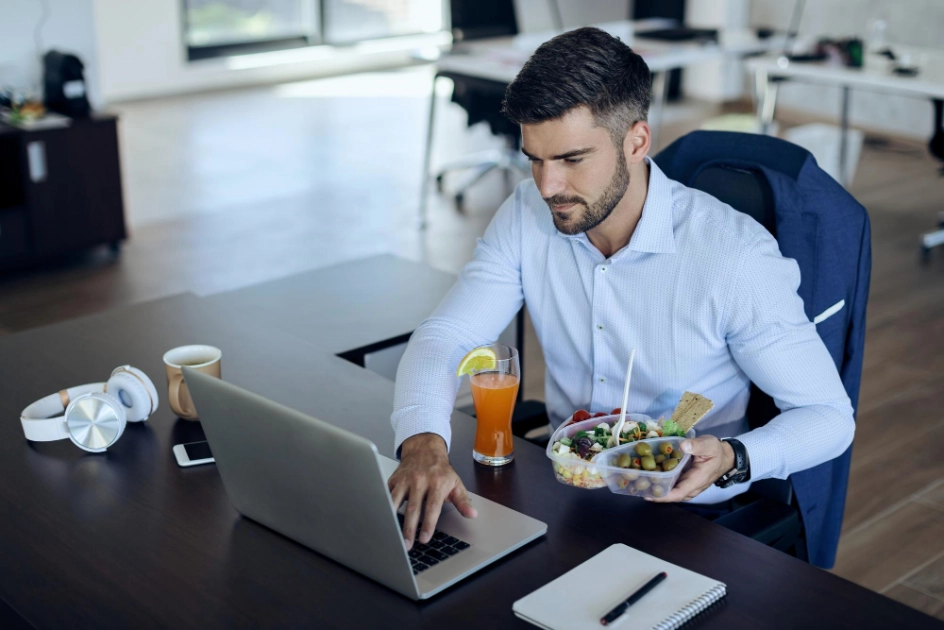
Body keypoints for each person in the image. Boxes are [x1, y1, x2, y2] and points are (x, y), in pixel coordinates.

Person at [388, 27, 854, 551]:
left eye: (571, 159)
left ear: (636, 141)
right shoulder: (525, 214)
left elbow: (829, 419)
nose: (547, 187)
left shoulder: (734, 257)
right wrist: (423, 440)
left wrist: (733, 457)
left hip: (686, 512)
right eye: (534, 158)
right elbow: (446, 335)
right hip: (568, 492)